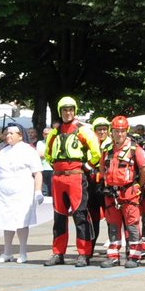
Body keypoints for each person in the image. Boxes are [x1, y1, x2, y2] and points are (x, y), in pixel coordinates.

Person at [42, 97, 102, 267]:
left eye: (70, 110)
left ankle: (84, 253)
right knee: (59, 217)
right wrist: (56, 166)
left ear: (74, 111)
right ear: (60, 112)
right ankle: (58, 253)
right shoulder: (54, 132)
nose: (67, 113)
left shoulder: (83, 130)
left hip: (76, 175)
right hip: (58, 177)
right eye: (64, 110)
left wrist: (88, 166)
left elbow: (96, 152)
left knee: (80, 215)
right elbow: (47, 154)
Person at [99, 116, 145, 268]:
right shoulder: (107, 149)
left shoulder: (135, 148)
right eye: (117, 131)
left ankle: (135, 256)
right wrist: (107, 181)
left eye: (122, 131)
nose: (120, 134)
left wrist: (138, 185)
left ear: (127, 131)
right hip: (111, 193)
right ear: (112, 132)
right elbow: (102, 168)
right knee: (113, 225)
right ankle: (113, 256)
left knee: (132, 225)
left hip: (129, 191)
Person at [0, 123, 42, 264]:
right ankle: (7, 252)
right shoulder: (3, 151)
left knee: (21, 221)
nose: (8, 136)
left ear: (20, 136)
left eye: (12, 133)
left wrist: (38, 191)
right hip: (4, 192)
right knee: (6, 222)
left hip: (22, 191)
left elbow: (37, 172)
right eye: (7, 133)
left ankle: (23, 252)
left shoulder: (29, 150)